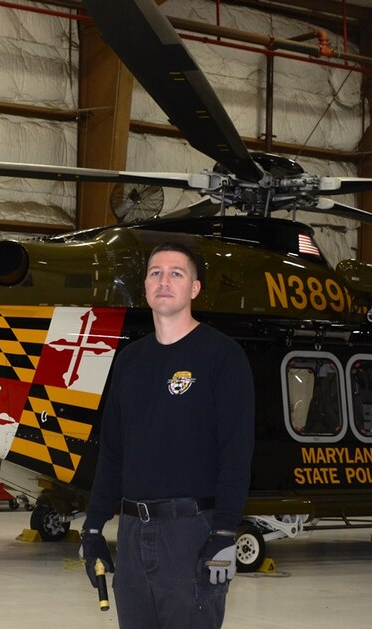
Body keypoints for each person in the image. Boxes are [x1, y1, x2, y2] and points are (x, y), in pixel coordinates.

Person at [80, 242, 255, 628]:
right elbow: (111, 452)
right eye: (155, 272)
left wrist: (225, 532)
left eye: (177, 273)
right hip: (131, 534)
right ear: (144, 286)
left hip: (192, 532)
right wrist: (93, 527)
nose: (164, 280)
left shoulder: (222, 356)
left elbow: (236, 453)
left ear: (194, 288)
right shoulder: (129, 361)